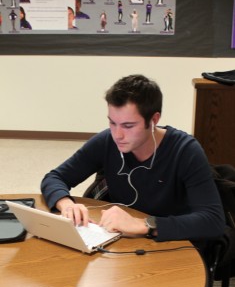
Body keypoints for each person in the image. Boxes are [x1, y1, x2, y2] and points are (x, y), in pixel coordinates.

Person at [41, 74, 225, 254]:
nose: (117, 134)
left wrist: (144, 225)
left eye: (128, 126)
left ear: (153, 120)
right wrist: (66, 204)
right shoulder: (107, 141)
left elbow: (212, 221)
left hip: (170, 246)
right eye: (112, 123)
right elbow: (55, 177)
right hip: (120, 243)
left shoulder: (185, 151)